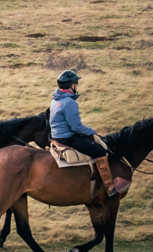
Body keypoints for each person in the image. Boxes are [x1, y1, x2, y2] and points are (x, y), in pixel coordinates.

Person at [50, 69, 129, 197]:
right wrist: (91, 131)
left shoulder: (56, 99)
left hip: (57, 136)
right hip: (68, 138)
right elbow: (76, 127)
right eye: (76, 83)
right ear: (72, 85)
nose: (76, 86)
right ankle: (109, 188)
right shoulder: (69, 102)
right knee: (99, 151)